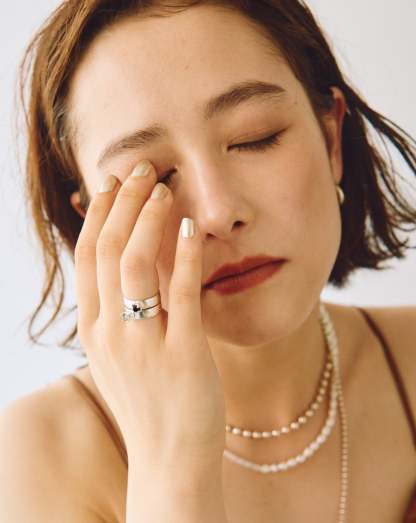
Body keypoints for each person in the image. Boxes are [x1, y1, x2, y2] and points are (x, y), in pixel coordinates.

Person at [0, 1, 415, 521]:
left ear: (331, 138)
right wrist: (172, 465)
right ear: (95, 226)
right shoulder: (35, 457)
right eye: (152, 177)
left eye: (254, 138)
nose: (218, 213)